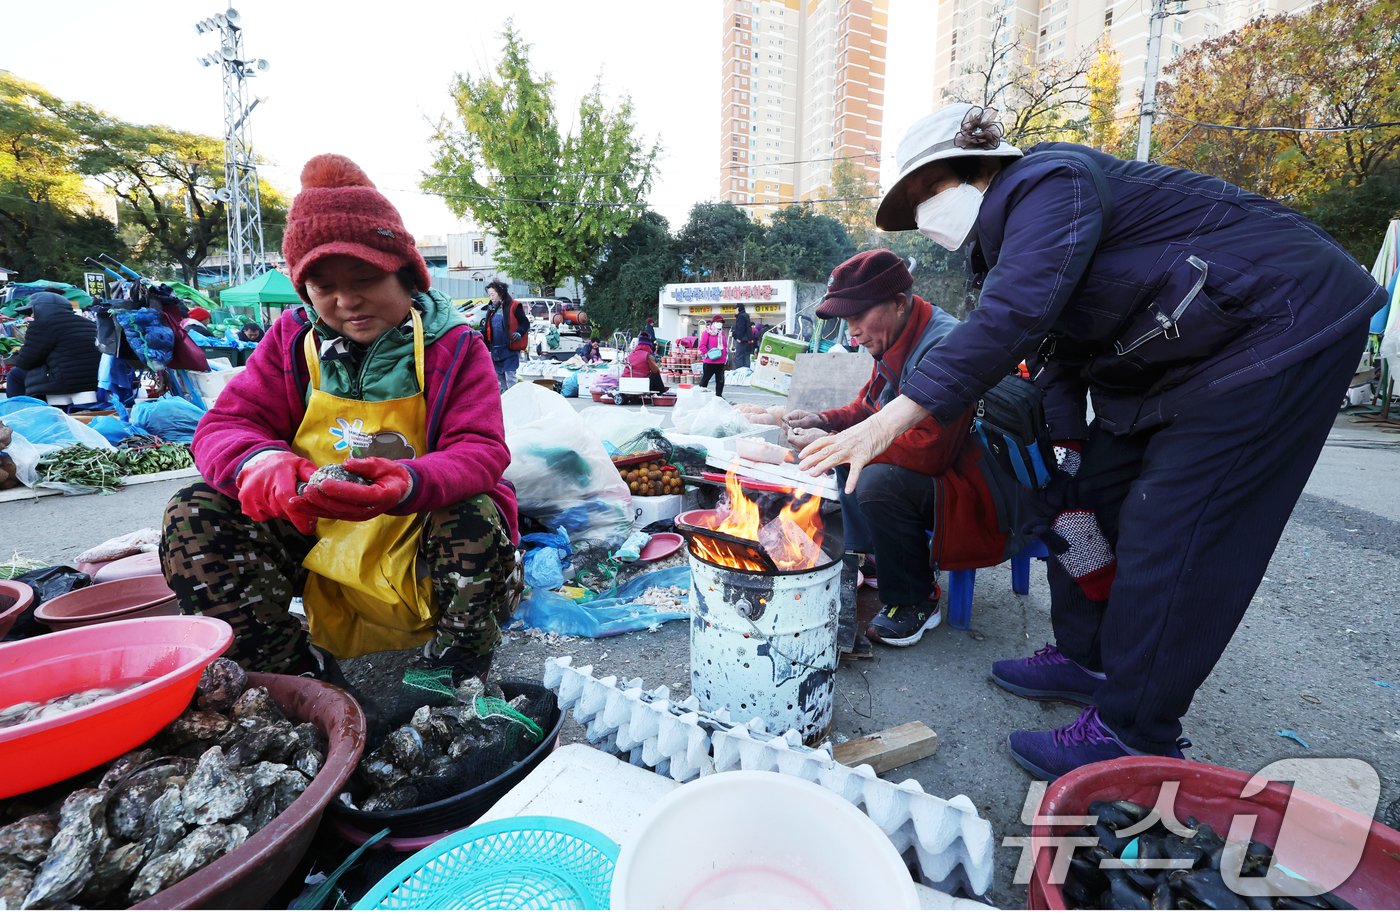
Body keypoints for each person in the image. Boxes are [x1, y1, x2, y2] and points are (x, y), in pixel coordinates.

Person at [800, 102, 1385, 780]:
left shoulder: (1048, 184)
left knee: (1176, 534)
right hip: (1172, 367)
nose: (927, 216)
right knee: (1076, 511)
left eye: (928, 192)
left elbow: (1012, 319)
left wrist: (887, 421)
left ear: (969, 170)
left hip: (1272, 331)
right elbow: (1056, 356)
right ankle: (1088, 657)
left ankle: (1135, 731)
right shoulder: (1007, 250)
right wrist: (1067, 453)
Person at [160, 153, 522, 693]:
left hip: (415, 525)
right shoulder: (291, 340)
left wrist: (410, 482)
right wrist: (259, 462)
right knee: (195, 512)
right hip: (315, 524)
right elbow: (224, 426)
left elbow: (481, 449)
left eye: (365, 276)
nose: (346, 300)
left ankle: (451, 677)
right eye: (321, 285)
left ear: (406, 274)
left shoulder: (455, 344)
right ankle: (293, 679)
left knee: (474, 515)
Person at [786, 250, 1016, 646]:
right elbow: (868, 408)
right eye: (846, 319)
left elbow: (931, 452)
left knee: (875, 478)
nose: (852, 330)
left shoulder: (944, 345)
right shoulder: (894, 338)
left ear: (898, 303)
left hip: (975, 482)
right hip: (942, 465)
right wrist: (823, 421)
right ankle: (874, 557)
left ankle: (916, 600)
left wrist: (843, 444)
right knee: (848, 451)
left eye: (858, 316)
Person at [5, 292, 101, 402]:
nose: (31, 316)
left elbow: (25, 362)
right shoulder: (89, 323)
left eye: (32, 311)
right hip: (95, 380)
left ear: (42, 309)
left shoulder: (43, 325)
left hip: (65, 382)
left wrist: (18, 355)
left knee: (15, 374)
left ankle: (20, 414)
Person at [480, 280, 528, 392]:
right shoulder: (491, 309)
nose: (491, 297)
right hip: (496, 350)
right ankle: (504, 404)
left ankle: (514, 402)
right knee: (500, 380)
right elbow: (486, 328)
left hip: (509, 349)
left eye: (493, 294)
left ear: (500, 293)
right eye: (489, 295)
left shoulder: (514, 306)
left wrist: (519, 332)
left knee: (510, 377)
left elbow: (525, 323)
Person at [698, 315, 728, 397]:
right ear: (713, 322)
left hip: (720, 361)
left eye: (721, 322)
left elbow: (725, 346)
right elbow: (702, 346)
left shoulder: (722, 333)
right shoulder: (707, 332)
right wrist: (707, 354)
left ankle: (719, 396)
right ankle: (700, 396)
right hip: (710, 361)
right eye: (718, 322)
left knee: (720, 380)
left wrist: (725, 356)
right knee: (705, 379)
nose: (720, 324)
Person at [732, 305, 753, 369]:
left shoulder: (741, 316)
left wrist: (739, 338)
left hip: (742, 340)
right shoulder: (746, 316)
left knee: (738, 356)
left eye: (735, 309)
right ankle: (747, 371)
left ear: (738, 309)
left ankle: (740, 372)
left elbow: (741, 328)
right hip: (748, 340)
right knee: (746, 356)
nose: (734, 311)